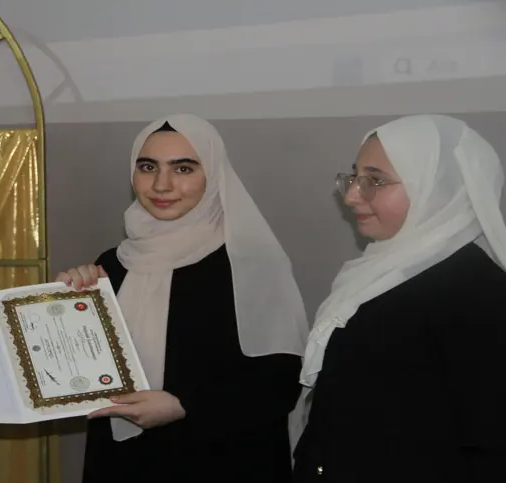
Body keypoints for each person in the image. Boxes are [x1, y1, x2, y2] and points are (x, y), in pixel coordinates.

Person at [56, 114, 309, 482]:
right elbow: (84, 375)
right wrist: (65, 308)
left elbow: (279, 383)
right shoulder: (113, 264)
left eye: (183, 168)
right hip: (126, 462)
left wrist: (182, 405)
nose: (162, 184)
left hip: (222, 460)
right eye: (148, 167)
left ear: (214, 175)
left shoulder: (249, 262)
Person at [293, 115, 506, 482]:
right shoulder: (379, 271)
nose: (352, 195)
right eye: (354, 177)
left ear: (437, 188)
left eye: (375, 180)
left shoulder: (475, 291)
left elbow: (490, 440)